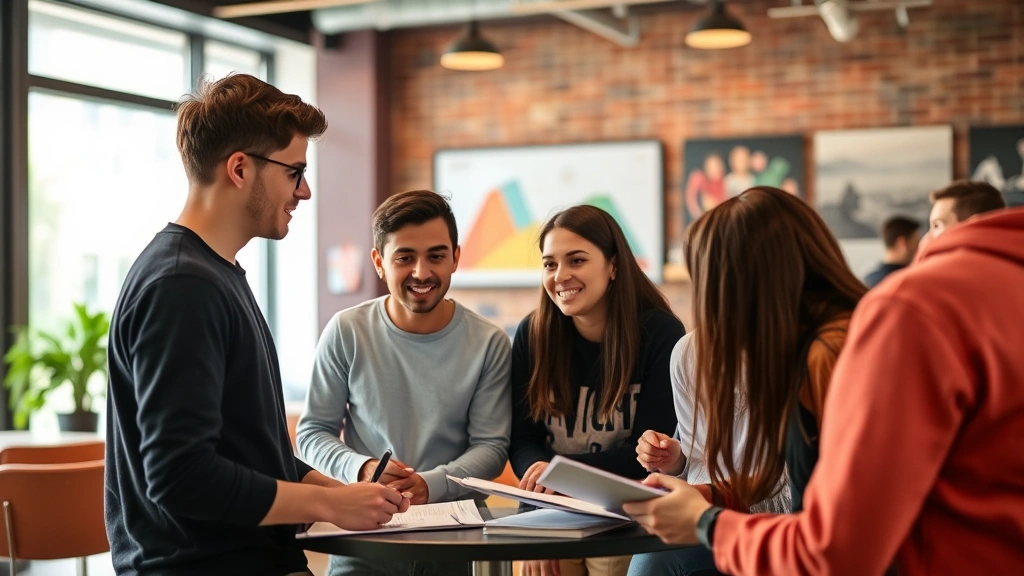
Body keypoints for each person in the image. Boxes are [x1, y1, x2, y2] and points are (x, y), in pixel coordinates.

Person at [105, 74, 409, 576]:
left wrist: (345, 495)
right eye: (294, 172)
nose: (305, 191)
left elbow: (248, 453)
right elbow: (180, 476)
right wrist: (329, 508)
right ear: (240, 169)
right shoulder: (183, 286)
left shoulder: (212, 274)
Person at [623, 207, 1024, 575]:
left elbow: (836, 549)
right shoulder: (987, 286)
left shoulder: (852, 343)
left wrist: (704, 521)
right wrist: (710, 495)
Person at [627, 186, 865, 576]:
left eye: (713, 283)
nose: (712, 302)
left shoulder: (829, 354)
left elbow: (823, 518)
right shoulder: (700, 352)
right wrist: (694, 480)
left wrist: (707, 511)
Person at [297, 190, 512, 576]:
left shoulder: (489, 342)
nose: (421, 272)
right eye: (404, 257)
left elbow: (492, 447)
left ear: (456, 258)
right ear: (379, 262)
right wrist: (360, 468)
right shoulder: (347, 330)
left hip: (458, 539)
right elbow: (312, 432)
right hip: (367, 537)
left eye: (436, 255)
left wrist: (432, 485)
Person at [510, 205, 684, 576]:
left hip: (625, 515)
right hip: (553, 514)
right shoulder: (533, 334)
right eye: (549, 264)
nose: (560, 276)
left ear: (614, 266)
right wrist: (538, 518)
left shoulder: (660, 334)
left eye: (576, 260)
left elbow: (648, 453)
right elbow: (522, 441)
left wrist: (558, 473)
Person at [863, 215, 921, 288]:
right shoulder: (910, 281)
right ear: (902, 243)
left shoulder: (867, 280)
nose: (919, 248)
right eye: (917, 243)